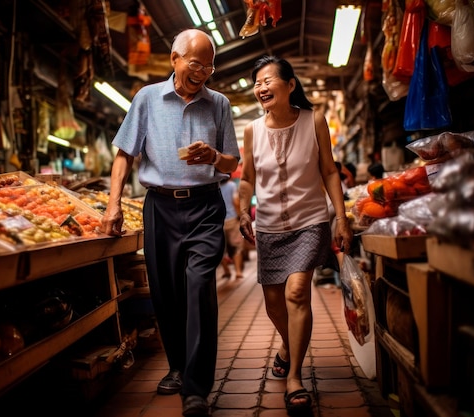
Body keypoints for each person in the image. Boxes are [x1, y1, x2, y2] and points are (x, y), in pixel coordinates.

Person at [101, 29, 240, 417]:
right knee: (166, 294)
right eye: (196, 64)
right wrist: (113, 206)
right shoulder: (146, 99)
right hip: (160, 207)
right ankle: (178, 367)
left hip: (205, 208)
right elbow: (123, 155)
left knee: (198, 289)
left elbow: (232, 163)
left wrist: (213, 155)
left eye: (209, 66)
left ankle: (196, 388)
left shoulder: (220, 104)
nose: (203, 73)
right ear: (175, 59)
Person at [237, 56, 353, 415]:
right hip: (269, 225)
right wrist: (243, 209)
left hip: (309, 221)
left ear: (290, 85)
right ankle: (288, 347)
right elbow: (247, 179)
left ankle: (295, 378)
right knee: (274, 304)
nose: (261, 87)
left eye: (268, 79)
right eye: (257, 82)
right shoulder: (252, 130)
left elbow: (330, 171)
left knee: (297, 291)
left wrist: (342, 218)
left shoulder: (314, 120)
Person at [219, 177, 244, 279]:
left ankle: (226, 270)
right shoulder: (232, 185)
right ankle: (238, 271)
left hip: (219, 221)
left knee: (220, 248)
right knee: (237, 246)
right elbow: (236, 201)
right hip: (232, 219)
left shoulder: (215, 187)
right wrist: (240, 216)